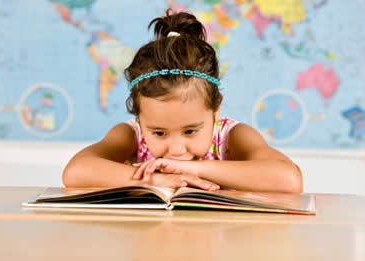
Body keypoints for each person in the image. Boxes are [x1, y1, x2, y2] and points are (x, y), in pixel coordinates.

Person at [62, 9, 303, 193]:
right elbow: (75, 171)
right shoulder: (131, 136)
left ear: (215, 110)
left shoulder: (231, 137)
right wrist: (158, 180)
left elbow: (289, 180)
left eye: (190, 131)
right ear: (139, 118)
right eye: (158, 133)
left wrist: (192, 169)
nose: (176, 150)